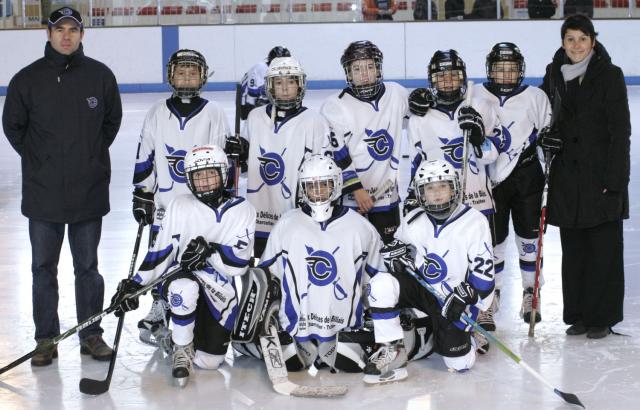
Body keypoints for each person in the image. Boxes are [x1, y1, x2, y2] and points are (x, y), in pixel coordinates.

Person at [2, 6, 122, 366]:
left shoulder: (100, 76)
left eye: (73, 29)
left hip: (88, 192)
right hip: (44, 195)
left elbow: (111, 123)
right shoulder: (27, 80)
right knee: (43, 269)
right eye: (59, 29)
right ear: (49, 33)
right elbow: (14, 128)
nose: (66, 35)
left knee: (88, 268)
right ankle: (45, 339)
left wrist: (89, 157)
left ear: (82, 34)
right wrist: (41, 161)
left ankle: (91, 334)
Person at [112, 145, 256, 387]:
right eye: (198, 176)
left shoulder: (243, 210)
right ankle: (181, 348)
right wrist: (135, 285)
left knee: (210, 361)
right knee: (182, 288)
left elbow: (239, 264)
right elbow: (161, 251)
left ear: (223, 174)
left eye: (210, 174)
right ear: (189, 180)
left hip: (220, 290)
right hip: (182, 278)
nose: (205, 182)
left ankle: (176, 337)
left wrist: (210, 250)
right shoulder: (180, 206)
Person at [539, 15, 630, 339]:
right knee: (574, 251)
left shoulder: (610, 75)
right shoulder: (553, 75)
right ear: (562, 42)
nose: (576, 45)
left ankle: (601, 317)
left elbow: (621, 133)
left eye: (582, 38)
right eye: (570, 39)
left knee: (603, 250)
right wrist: (544, 137)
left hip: (600, 176)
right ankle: (578, 314)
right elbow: (541, 115)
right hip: (567, 178)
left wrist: (616, 181)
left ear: (593, 40)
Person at [365, 159, 495, 383]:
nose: (436, 193)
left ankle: (470, 337)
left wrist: (467, 297)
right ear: (421, 192)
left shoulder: (474, 222)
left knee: (459, 364)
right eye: (430, 188)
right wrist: (395, 255)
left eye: (442, 186)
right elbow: (399, 255)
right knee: (380, 284)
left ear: (454, 188)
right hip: (423, 291)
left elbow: (484, 277)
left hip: (453, 301)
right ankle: (392, 349)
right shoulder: (414, 219)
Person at [132, 49, 230, 346]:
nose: (186, 77)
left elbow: (222, 157)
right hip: (166, 204)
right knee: (161, 254)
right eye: (181, 71)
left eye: (192, 71)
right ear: (170, 75)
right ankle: (160, 305)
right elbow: (146, 152)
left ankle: (198, 308)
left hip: (202, 204)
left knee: (200, 256)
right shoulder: (157, 111)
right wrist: (142, 192)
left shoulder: (213, 112)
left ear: (203, 76)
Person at [257, 154, 385, 372]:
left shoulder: (360, 227)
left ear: (336, 185)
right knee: (290, 361)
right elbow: (268, 277)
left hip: (343, 329)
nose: (317, 193)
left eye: (324, 185)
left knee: (349, 361)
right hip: (296, 328)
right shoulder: (287, 223)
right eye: (311, 186)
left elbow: (376, 280)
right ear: (303, 189)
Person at [474, 42, 552, 331]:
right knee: (493, 241)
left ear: (520, 70)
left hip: (527, 176)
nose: (506, 75)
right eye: (499, 69)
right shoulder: (477, 95)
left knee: (528, 240)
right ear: (489, 70)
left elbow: (548, 131)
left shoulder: (535, 96)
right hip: (488, 179)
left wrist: (550, 143)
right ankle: (491, 292)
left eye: (511, 69)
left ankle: (532, 291)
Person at [234, 56, 330, 258]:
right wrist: (238, 154)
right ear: (270, 87)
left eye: (291, 82)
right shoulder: (255, 117)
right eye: (278, 82)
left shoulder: (314, 121)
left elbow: (324, 172)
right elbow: (243, 169)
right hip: (260, 216)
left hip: (298, 217)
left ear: (300, 85)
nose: (285, 88)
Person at [321, 40, 408, 244]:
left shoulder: (397, 94)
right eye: (357, 69)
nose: (365, 73)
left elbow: (420, 115)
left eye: (370, 66)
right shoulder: (335, 105)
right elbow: (336, 153)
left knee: (390, 253)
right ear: (348, 74)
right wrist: (357, 191)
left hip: (386, 197)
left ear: (378, 69)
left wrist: (424, 100)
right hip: (351, 200)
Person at [239, 46, 291, 120]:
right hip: (245, 102)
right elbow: (252, 92)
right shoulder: (261, 68)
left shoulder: (276, 70)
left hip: (255, 99)